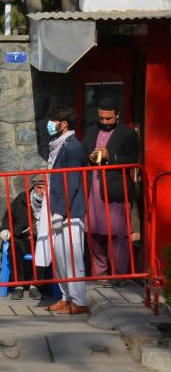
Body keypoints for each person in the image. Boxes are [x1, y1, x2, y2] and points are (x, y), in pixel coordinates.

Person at [81, 97, 139, 280]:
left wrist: (110, 156)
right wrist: (89, 157)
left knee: (117, 235)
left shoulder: (128, 134)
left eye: (109, 118)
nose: (105, 122)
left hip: (115, 191)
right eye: (102, 118)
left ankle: (119, 276)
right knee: (93, 234)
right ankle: (100, 274)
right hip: (92, 190)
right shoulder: (91, 130)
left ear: (118, 115)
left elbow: (131, 160)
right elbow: (82, 154)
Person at [38, 105, 88, 315]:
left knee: (72, 257)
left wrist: (60, 211)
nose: (50, 124)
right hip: (56, 207)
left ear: (63, 124)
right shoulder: (59, 145)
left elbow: (71, 181)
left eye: (53, 120)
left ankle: (79, 301)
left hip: (69, 211)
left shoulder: (73, 147)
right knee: (59, 257)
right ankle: (65, 296)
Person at [0, 174, 46, 300]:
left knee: (44, 248)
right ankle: (18, 285)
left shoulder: (50, 201)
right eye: (39, 188)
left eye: (44, 188)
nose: (42, 191)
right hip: (23, 236)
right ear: (34, 187)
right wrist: (5, 229)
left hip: (41, 237)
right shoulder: (22, 198)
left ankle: (34, 285)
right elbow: (8, 215)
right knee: (14, 246)